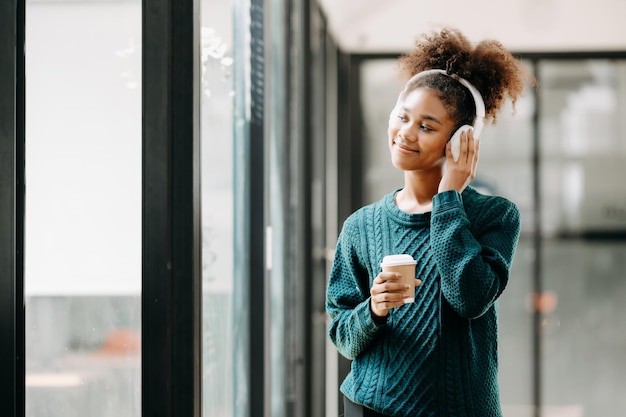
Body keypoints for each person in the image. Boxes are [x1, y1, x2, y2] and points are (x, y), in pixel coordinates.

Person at [326, 27, 533, 417]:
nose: (405, 133)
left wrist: (448, 198)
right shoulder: (360, 226)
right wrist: (374, 309)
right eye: (402, 117)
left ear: (460, 141)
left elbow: (469, 298)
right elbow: (342, 335)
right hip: (371, 407)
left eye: (426, 126)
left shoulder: (495, 216)